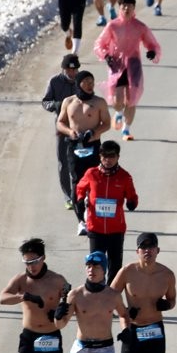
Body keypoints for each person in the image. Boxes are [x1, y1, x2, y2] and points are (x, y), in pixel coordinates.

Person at [93, 0, 161, 140]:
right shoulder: (112, 25)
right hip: (116, 64)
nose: (126, 8)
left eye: (129, 6)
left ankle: (126, 130)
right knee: (118, 101)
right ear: (119, 8)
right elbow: (100, 44)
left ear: (133, 8)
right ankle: (118, 113)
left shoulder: (140, 26)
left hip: (133, 64)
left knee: (132, 99)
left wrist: (151, 52)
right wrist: (106, 55)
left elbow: (151, 43)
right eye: (123, 6)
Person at [57, 69, 112, 236]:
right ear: (78, 84)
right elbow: (60, 122)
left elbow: (107, 123)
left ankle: (95, 216)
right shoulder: (68, 102)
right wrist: (69, 132)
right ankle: (80, 220)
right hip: (74, 147)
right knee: (77, 182)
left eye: (92, 82)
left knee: (95, 181)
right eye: (86, 82)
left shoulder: (99, 102)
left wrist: (94, 133)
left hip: (93, 146)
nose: (90, 85)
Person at [76, 139, 139, 283]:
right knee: (96, 265)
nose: (108, 160)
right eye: (105, 156)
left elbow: (132, 196)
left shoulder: (124, 177)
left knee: (115, 267)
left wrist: (131, 202)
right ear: (100, 156)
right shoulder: (91, 174)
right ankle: (96, 295)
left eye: (112, 156)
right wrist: (80, 200)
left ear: (118, 157)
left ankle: (111, 297)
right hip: (96, 228)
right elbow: (80, 187)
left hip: (116, 230)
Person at [41, 53, 81, 211]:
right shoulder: (54, 82)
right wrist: (56, 106)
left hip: (79, 126)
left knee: (79, 162)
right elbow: (45, 101)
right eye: (69, 71)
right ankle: (68, 196)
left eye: (75, 70)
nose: (72, 73)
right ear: (63, 69)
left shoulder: (82, 80)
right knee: (63, 163)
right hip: (62, 127)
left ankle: (80, 194)